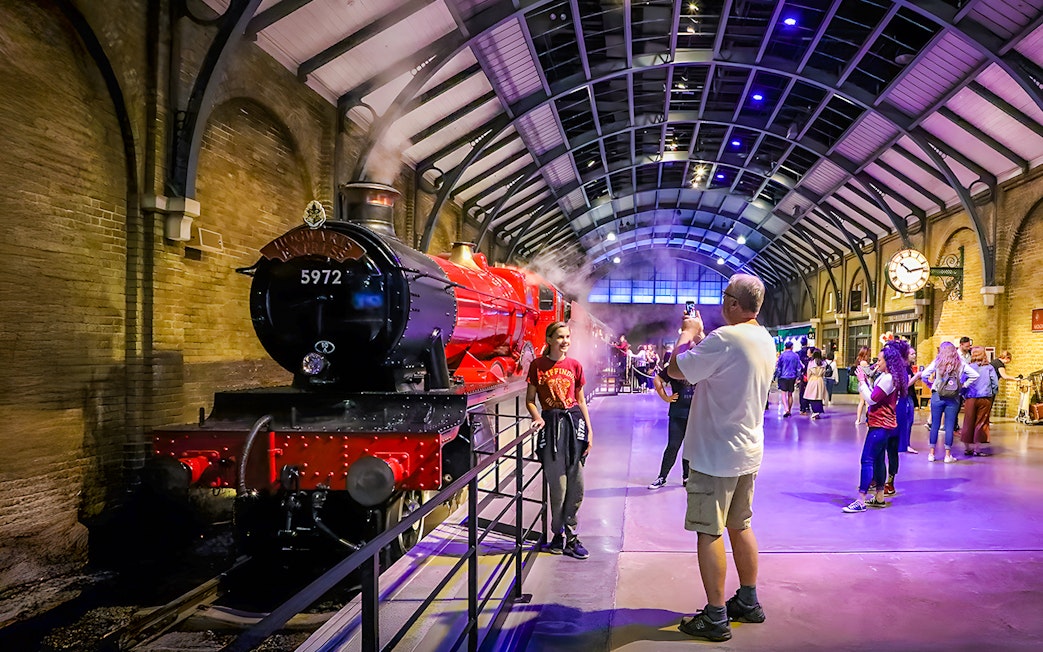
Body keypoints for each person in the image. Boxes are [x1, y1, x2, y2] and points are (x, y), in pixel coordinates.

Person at [666, 274, 776, 642]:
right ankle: (748, 600)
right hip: (747, 451)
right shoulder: (764, 338)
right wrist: (702, 342)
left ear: (732, 303)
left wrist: (686, 334)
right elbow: (725, 372)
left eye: (724, 296)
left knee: (708, 530)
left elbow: (675, 370)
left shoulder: (726, 338)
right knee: (740, 525)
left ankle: (715, 617)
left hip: (715, 454)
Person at [526, 321, 594, 560]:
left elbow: (581, 400)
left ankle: (571, 536)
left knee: (577, 487)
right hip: (552, 427)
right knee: (559, 488)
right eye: (560, 337)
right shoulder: (537, 366)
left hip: (574, 425)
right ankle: (558, 534)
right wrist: (538, 418)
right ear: (550, 340)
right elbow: (531, 400)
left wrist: (589, 429)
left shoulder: (575, 365)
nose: (565, 341)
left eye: (568, 337)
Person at [843, 344, 905, 513]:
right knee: (878, 459)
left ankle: (861, 499)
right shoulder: (888, 377)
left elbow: (871, 399)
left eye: (880, 360)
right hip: (883, 424)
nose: (877, 363)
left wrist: (862, 381)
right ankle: (879, 496)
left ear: (889, 362)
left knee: (867, 459)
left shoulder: (889, 379)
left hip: (880, 425)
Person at [913, 342, 979, 463]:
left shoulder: (937, 362)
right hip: (953, 397)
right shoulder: (960, 363)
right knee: (949, 426)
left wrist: (931, 384)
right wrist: (963, 385)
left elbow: (924, 375)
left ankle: (931, 454)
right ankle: (948, 455)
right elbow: (975, 375)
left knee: (935, 425)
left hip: (937, 395)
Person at [648, 366, 693, 489]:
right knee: (673, 446)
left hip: (695, 414)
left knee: (691, 447)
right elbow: (657, 379)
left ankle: (686, 477)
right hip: (677, 414)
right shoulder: (676, 366)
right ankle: (662, 477)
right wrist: (666, 398)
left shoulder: (700, 364)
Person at [961, 346, 999, 457]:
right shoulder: (989, 368)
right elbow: (995, 384)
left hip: (970, 398)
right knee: (981, 422)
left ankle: (967, 448)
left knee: (968, 422)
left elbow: (962, 382)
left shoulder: (968, 367)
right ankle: (977, 449)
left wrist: (963, 395)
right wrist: (992, 394)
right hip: (985, 398)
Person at [774, 341, 801, 417]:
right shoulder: (796, 356)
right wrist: (798, 377)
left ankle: (786, 409)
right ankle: (789, 409)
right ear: (792, 347)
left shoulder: (782, 356)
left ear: (785, 347)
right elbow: (799, 367)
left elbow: (779, 367)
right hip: (792, 377)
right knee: (790, 394)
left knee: (783, 394)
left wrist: (777, 376)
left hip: (783, 377)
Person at [802, 349, 827, 418]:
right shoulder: (823, 363)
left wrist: (808, 380)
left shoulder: (811, 363)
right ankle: (818, 411)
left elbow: (808, 373)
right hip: (820, 380)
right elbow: (823, 374)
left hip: (812, 380)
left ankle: (815, 411)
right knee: (819, 397)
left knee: (812, 397)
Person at [851, 346, 873, 425]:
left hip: (860, 384)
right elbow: (870, 373)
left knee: (861, 402)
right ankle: (868, 420)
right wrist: (877, 367)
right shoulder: (864, 362)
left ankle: (858, 419)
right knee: (867, 402)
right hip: (865, 384)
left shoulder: (859, 361)